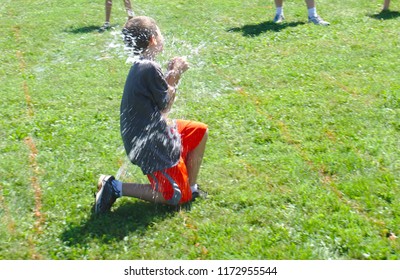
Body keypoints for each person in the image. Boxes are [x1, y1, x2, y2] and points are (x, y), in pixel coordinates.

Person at [95, 16, 209, 214]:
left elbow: (159, 96)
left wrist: (169, 74)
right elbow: (165, 106)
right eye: (160, 32)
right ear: (153, 40)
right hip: (150, 143)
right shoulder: (148, 67)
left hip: (154, 132)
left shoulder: (144, 64)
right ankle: (114, 187)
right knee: (175, 197)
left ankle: (190, 188)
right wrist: (176, 72)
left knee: (199, 132)